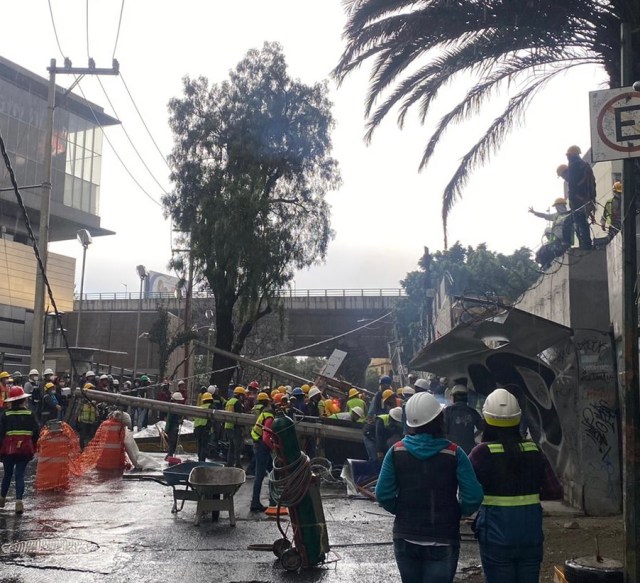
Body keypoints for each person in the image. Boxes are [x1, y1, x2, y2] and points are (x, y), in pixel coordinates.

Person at [376, 392, 483, 583]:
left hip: (406, 536)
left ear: (410, 423)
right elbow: (473, 496)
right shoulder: (455, 453)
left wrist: (400, 509)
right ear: (440, 419)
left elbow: (383, 494)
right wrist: (457, 512)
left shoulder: (396, 451)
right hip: (443, 538)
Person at [469, 388, 563, 583]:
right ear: (518, 419)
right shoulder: (534, 450)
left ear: (486, 420)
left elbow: (467, 492)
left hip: (495, 539)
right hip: (530, 537)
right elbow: (554, 491)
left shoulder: (481, 453)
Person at [0, 386, 40, 514]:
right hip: (25, 450)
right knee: (20, 475)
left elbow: (1, 434)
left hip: (9, 450)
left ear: (11, 401)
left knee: (7, 475)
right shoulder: (30, 414)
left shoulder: (5, 415)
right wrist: (33, 445)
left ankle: (2, 499)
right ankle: (19, 502)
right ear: (23, 400)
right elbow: (36, 432)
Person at [565, 145, 596, 250]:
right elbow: (593, 183)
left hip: (578, 200)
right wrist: (592, 199)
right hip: (588, 199)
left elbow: (572, 186)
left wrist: (572, 199)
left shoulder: (573, 167)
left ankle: (585, 245)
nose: (567, 158)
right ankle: (587, 243)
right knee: (583, 222)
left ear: (571, 155)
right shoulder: (585, 166)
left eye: (568, 155)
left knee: (579, 222)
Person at [529, 197, 573, 269]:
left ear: (561, 205)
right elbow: (545, 216)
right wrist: (534, 212)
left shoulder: (569, 215)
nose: (556, 208)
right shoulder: (556, 216)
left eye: (557, 206)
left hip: (564, 238)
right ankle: (553, 243)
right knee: (547, 230)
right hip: (555, 238)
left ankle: (556, 244)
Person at [249, 395, 275, 512]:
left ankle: (274, 499)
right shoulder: (269, 417)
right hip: (262, 446)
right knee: (259, 475)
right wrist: (273, 447)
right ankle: (255, 503)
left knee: (273, 471)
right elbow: (266, 437)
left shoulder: (264, 413)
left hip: (259, 444)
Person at [443, 385, 483, 454]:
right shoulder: (472, 411)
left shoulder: (447, 411)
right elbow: (482, 427)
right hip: (469, 451)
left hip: (452, 451)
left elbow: (443, 431)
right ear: (466, 397)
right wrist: (473, 436)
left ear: (453, 397)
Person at [224, 386, 246, 468]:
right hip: (235, 427)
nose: (243, 397)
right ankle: (238, 464)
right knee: (237, 447)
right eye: (243, 395)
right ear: (240, 395)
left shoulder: (229, 401)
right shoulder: (237, 403)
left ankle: (229, 463)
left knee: (231, 447)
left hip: (228, 426)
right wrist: (243, 429)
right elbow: (239, 417)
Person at [77, 383, 99, 449]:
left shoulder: (94, 400)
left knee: (91, 436)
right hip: (83, 421)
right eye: (91, 389)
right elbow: (78, 409)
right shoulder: (82, 400)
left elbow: (96, 410)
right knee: (82, 436)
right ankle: (82, 449)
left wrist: (97, 416)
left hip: (91, 421)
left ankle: (89, 449)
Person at [164, 392, 184, 459]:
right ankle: (170, 456)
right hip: (172, 428)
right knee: (172, 442)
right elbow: (170, 419)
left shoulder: (176, 407)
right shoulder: (173, 408)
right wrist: (178, 421)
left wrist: (180, 420)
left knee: (173, 443)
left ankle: (169, 455)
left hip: (174, 428)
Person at [194, 392, 213, 462]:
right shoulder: (210, 406)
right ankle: (202, 461)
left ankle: (199, 460)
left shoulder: (199, 407)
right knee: (204, 446)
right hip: (205, 428)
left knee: (200, 445)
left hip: (197, 428)